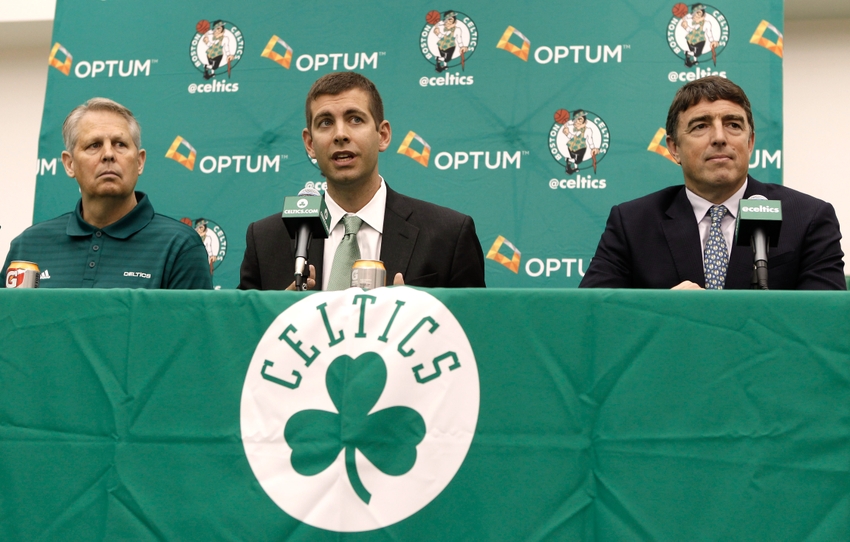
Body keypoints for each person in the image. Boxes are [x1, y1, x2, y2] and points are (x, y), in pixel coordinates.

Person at [580, 76, 845, 290]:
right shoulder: (633, 223)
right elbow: (592, 318)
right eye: (700, 126)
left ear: (750, 142)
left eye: (733, 125)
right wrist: (660, 312)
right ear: (673, 148)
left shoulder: (807, 218)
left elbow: (825, 324)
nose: (719, 137)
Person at [238, 72, 485, 290]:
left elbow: (472, 335)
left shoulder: (447, 236)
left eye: (355, 119)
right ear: (310, 144)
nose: (341, 134)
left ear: (383, 135)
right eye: (325, 123)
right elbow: (244, 338)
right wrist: (276, 316)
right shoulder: (266, 240)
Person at [2, 97, 213, 289]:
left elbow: (190, 331)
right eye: (94, 145)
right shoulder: (28, 246)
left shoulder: (180, 246)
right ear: (69, 164)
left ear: (139, 161)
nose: (109, 154)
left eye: (120, 144)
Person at [562, 110, 599, 174]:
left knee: (577, 160)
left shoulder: (588, 130)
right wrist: (567, 133)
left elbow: (590, 140)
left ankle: (575, 167)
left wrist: (593, 148)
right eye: (576, 120)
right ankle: (569, 160)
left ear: (584, 120)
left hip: (580, 147)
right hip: (572, 146)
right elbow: (572, 137)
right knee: (577, 160)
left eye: (580, 119)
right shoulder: (575, 129)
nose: (577, 122)